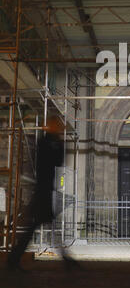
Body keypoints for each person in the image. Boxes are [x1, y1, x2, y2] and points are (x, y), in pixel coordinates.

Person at [7, 115, 77, 272]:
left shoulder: (52, 143)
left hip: (45, 191)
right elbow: (49, 163)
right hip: (42, 191)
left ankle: (66, 259)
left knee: (42, 227)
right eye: (58, 126)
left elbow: (58, 162)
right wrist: (59, 145)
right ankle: (13, 259)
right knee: (35, 229)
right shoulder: (46, 143)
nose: (61, 130)